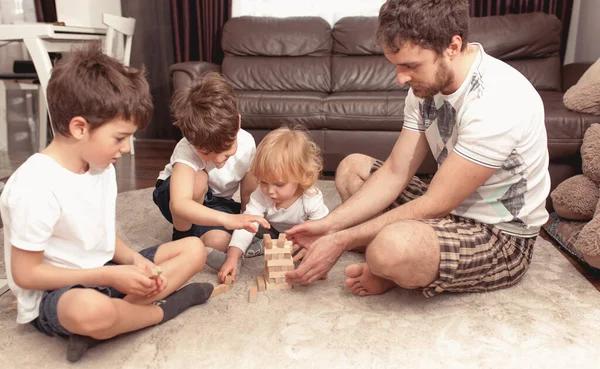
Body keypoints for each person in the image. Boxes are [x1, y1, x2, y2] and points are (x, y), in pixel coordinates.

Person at [285, 0, 551, 298]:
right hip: (447, 210)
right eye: (396, 65)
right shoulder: (425, 88)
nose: (400, 78)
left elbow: (436, 203)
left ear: (452, 46)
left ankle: (393, 265)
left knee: (389, 248)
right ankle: (402, 264)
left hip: (498, 234)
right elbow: (396, 171)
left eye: (411, 65)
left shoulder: (498, 101)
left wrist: (340, 240)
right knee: (352, 169)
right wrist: (327, 225)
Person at [0, 45, 214, 363]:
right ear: (79, 128)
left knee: (194, 249)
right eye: (119, 137)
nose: (127, 149)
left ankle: (113, 321)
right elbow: (25, 274)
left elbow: (98, 233)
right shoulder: (35, 185)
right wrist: (109, 278)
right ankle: (163, 309)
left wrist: (132, 261)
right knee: (89, 310)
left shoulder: (102, 167)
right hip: (59, 293)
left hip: (107, 271)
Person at [152, 72, 269, 255]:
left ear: (238, 122)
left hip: (217, 203)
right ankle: (181, 236)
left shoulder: (247, 143)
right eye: (206, 152)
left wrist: (246, 227)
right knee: (199, 179)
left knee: (222, 243)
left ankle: (200, 236)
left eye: (226, 149)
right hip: (175, 198)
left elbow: (247, 194)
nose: (218, 159)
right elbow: (179, 204)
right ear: (190, 139)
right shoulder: (187, 148)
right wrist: (226, 220)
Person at [207, 126, 329, 283]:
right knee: (243, 232)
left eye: (279, 184)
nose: (270, 191)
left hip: (301, 236)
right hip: (269, 230)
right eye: (263, 182)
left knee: (311, 251)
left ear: (302, 176)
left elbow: (324, 229)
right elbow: (248, 224)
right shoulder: (261, 194)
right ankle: (240, 256)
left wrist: (312, 249)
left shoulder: (311, 197)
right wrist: (232, 257)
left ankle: (263, 247)